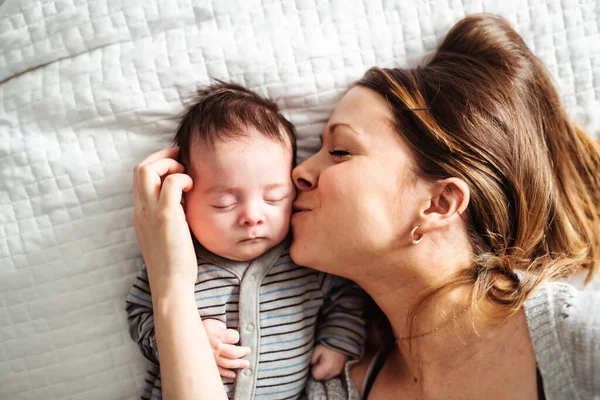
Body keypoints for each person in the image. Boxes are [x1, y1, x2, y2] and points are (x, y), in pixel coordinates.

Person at [130, 13, 600, 400]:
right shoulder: (325, 387)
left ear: (438, 203)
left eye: (339, 151)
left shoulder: (578, 339)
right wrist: (170, 285)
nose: (297, 174)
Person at [126, 82, 366, 400]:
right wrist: (187, 341)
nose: (252, 216)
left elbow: (347, 296)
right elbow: (139, 314)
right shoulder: (176, 258)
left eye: (274, 197)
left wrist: (338, 342)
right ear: (185, 199)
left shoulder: (304, 260)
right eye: (225, 202)